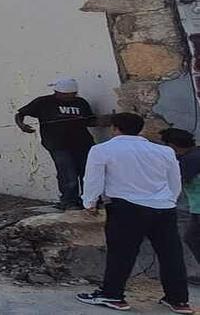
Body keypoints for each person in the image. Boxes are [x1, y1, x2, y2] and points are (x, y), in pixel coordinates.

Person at [77, 113, 191, 314]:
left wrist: (90, 202)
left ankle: (112, 295)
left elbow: (93, 179)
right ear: (140, 128)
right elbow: (175, 180)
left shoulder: (102, 149)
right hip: (163, 207)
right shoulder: (163, 151)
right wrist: (169, 200)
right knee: (171, 254)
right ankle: (178, 300)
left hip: (126, 207)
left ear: (115, 128)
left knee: (121, 254)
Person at [16, 77, 97, 210]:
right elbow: (20, 114)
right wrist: (22, 125)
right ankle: (68, 202)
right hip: (57, 144)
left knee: (87, 173)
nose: (71, 97)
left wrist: (105, 121)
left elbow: (89, 120)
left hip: (83, 143)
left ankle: (88, 201)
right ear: (58, 92)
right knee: (68, 174)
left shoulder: (81, 102)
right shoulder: (44, 102)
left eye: (73, 95)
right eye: (68, 95)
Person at [162, 128, 200, 285]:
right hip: (196, 207)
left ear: (172, 146)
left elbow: (176, 182)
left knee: (192, 238)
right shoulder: (195, 154)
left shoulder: (189, 160)